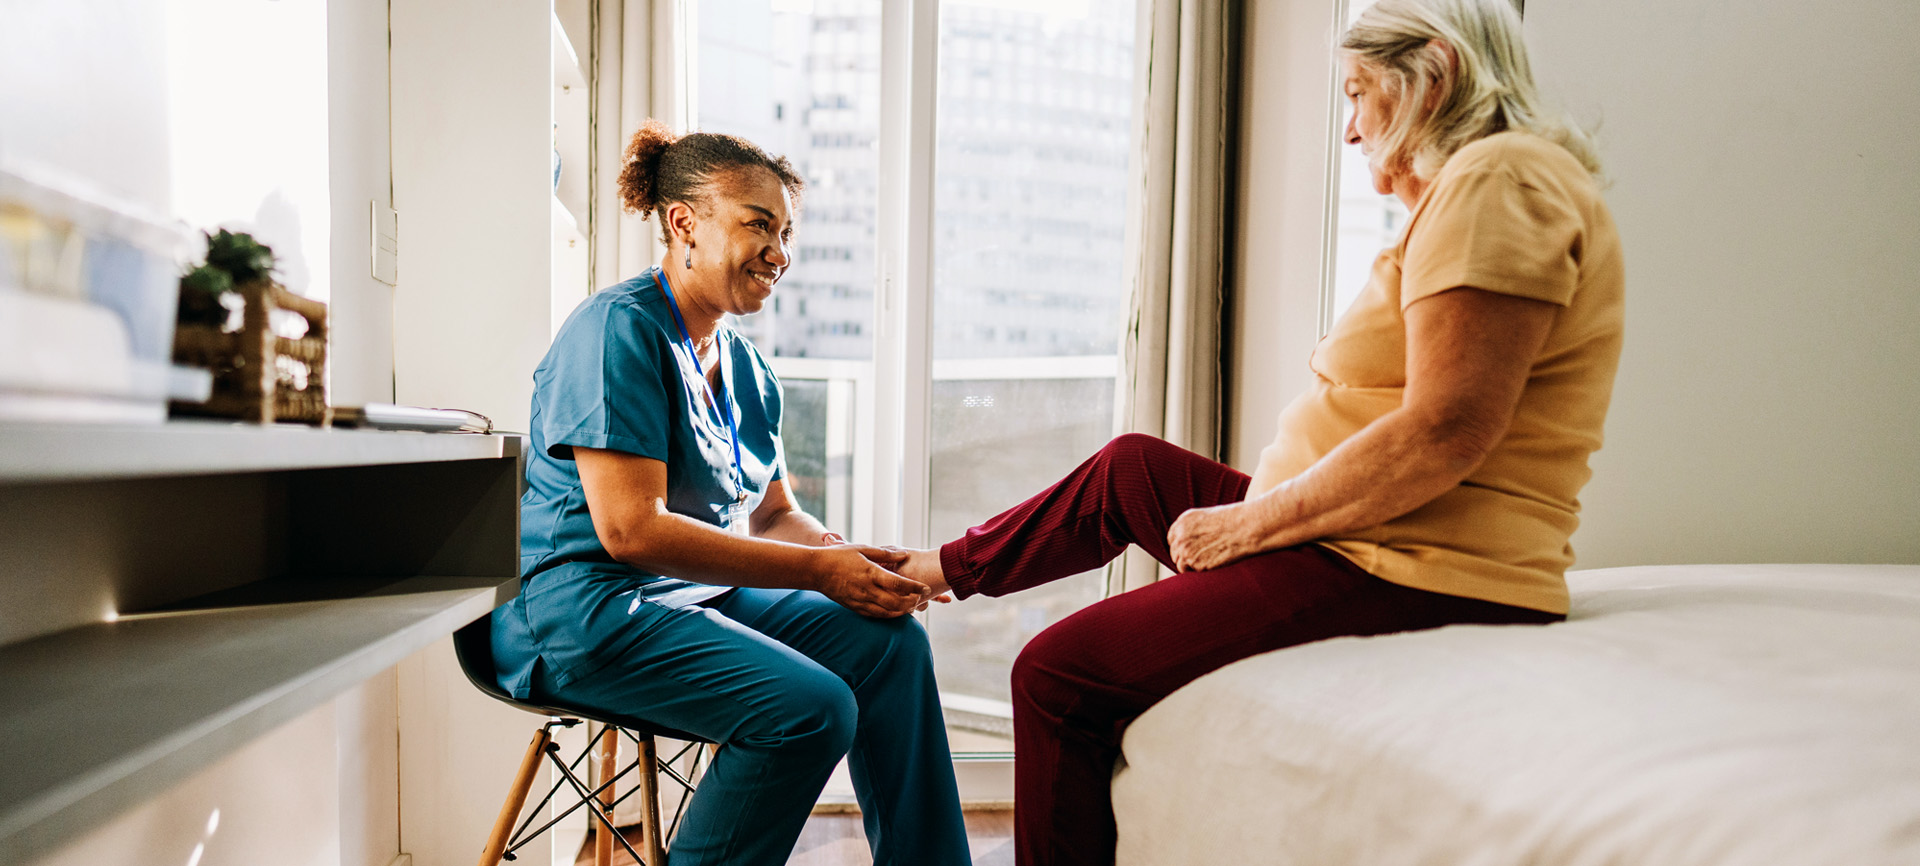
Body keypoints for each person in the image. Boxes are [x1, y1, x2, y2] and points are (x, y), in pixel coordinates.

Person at [889, 0, 1624, 863]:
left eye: (1359, 95)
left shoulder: (1499, 181)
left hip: (1418, 561)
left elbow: (1443, 432)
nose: (1351, 133)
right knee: (1133, 468)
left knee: (1056, 676)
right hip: (1381, 534)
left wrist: (1244, 526)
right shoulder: (1490, 184)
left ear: (1437, 71)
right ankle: (938, 569)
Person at [490, 120, 969, 866]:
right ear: (683, 222)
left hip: (695, 596)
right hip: (587, 612)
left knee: (890, 647)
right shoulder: (616, 331)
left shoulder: (746, 369)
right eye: (759, 226)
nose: (779, 253)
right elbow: (630, 533)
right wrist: (818, 574)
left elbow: (773, 514)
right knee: (811, 710)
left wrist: (849, 561)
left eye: (785, 234)